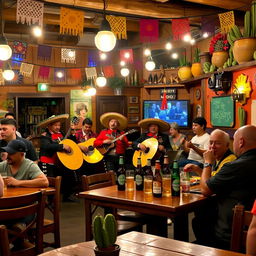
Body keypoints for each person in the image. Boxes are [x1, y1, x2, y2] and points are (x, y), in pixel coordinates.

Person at [197, 125, 256, 250]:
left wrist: (207, 162)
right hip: (249, 227)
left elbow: (206, 190)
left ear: (241, 142)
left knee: (199, 221)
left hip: (231, 233)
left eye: (233, 141)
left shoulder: (236, 166)